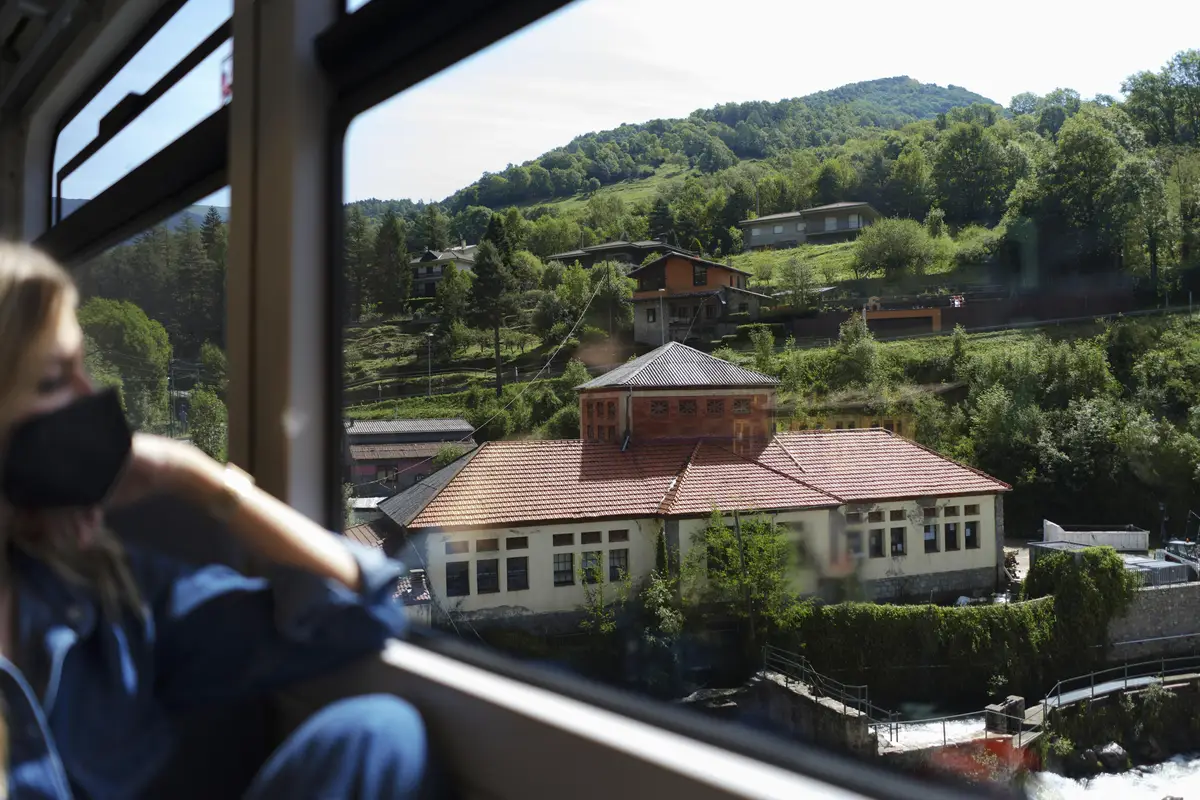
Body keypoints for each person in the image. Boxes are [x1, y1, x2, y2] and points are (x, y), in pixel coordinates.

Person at [0, 242, 429, 798]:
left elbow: (359, 614)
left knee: (378, 736)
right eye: (56, 381)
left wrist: (198, 477)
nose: (94, 400)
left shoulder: (100, 591)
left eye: (86, 369)